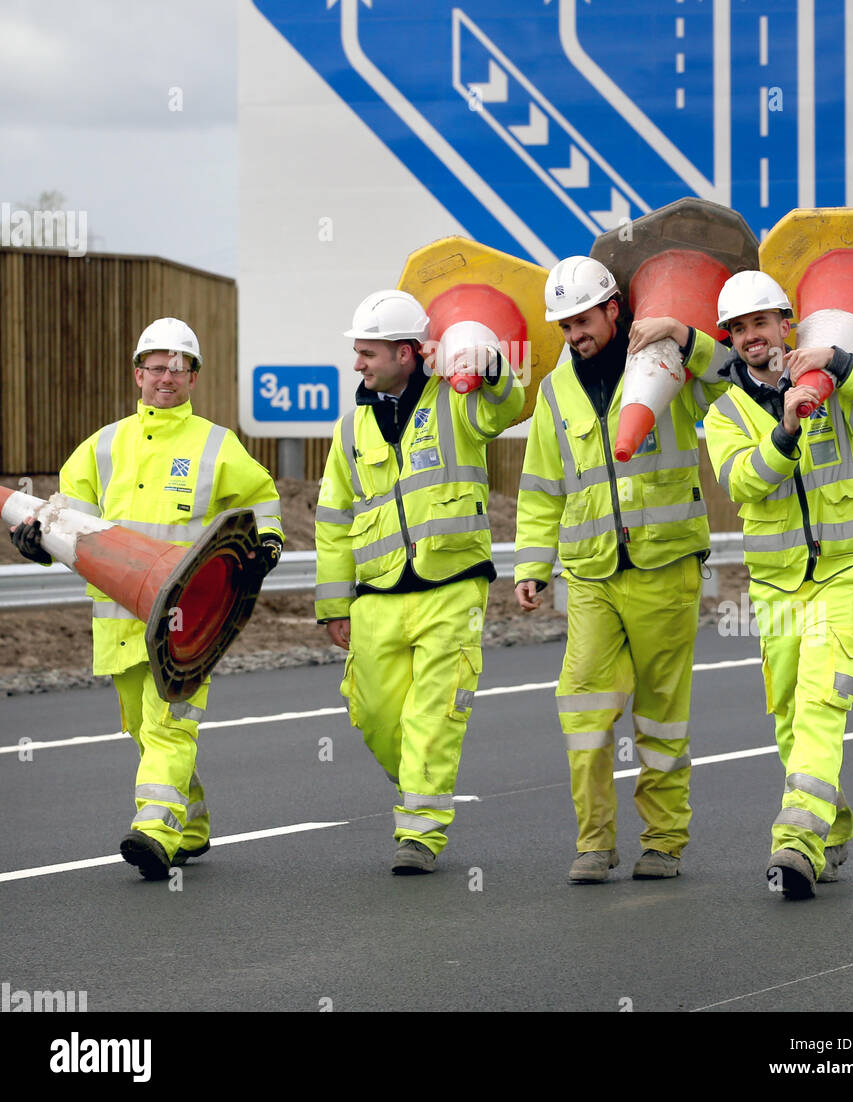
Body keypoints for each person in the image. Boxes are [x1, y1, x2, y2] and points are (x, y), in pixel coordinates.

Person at [9, 317, 283, 881]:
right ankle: (193, 823)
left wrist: (269, 542)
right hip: (118, 621)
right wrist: (35, 542)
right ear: (138, 374)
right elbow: (65, 523)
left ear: (194, 377)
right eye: (156, 368)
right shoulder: (102, 447)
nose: (166, 378)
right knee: (140, 728)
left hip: (189, 623)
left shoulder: (216, 444)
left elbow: (262, 499)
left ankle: (155, 831)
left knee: (169, 726)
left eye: (178, 369)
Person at [514, 255, 729, 884]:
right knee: (583, 708)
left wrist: (684, 334)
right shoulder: (555, 393)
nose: (575, 335)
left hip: (665, 566)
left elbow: (736, 375)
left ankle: (663, 840)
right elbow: (541, 487)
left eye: (583, 320)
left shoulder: (669, 362)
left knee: (662, 712)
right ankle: (594, 842)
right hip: (590, 575)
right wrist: (533, 563)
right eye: (565, 327)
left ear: (614, 309)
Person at [703, 271, 853, 899]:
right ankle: (831, 823)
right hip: (776, 583)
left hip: (843, 569)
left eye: (760, 323)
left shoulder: (833, 383)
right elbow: (743, 483)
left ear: (785, 324)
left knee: (824, 695)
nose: (749, 337)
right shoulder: (722, 413)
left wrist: (843, 364)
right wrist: (786, 431)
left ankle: (794, 842)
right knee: (792, 712)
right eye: (737, 329)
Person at [315, 289, 524, 874]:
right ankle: (416, 780)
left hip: (453, 583)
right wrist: (334, 603)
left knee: (433, 712)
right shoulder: (350, 428)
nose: (358, 364)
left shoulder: (459, 400)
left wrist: (492, 365)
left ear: (408, 353)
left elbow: (503, 406)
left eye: (369, 353)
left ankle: (420, 834)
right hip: (378, 592)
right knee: (375, 714)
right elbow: (333, 519)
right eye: (357, 352)